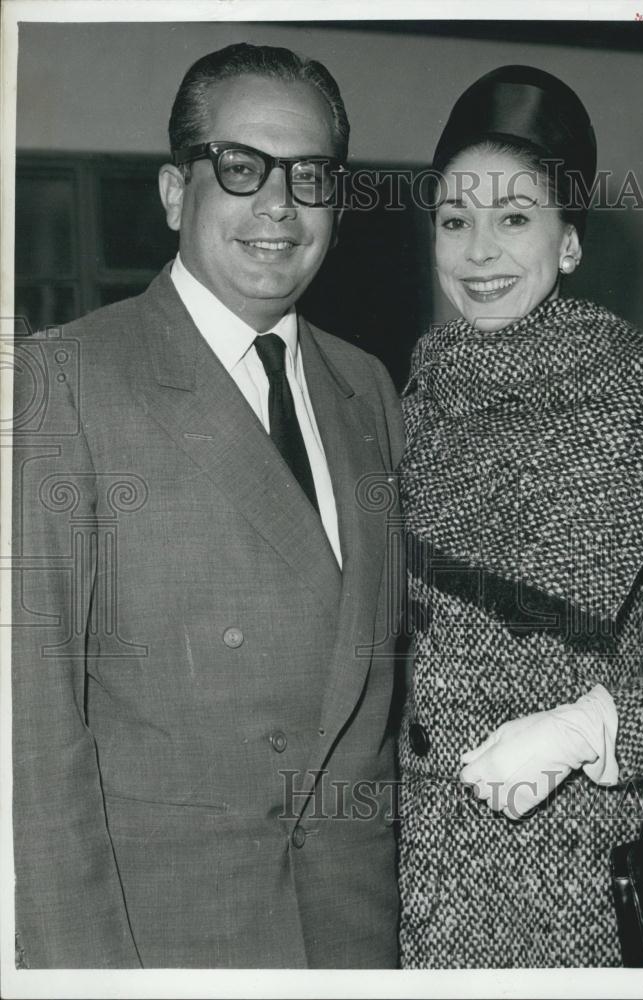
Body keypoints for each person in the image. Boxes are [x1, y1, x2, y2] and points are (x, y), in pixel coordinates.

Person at [12, 42, 404, 969]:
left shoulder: (368, 387)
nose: (278, 205)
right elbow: (31, 733)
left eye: (310, 176)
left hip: (354, 927)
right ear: (175, 195)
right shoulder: (62, 380)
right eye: (240, 167)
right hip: (173, 935)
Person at [397, 65, 643, 967]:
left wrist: (588, 730)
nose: (478, 252)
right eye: (455, 220)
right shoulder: (414, 389)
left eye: (514, 218)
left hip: (569, 879)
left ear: (568, 242)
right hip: (406, 862)